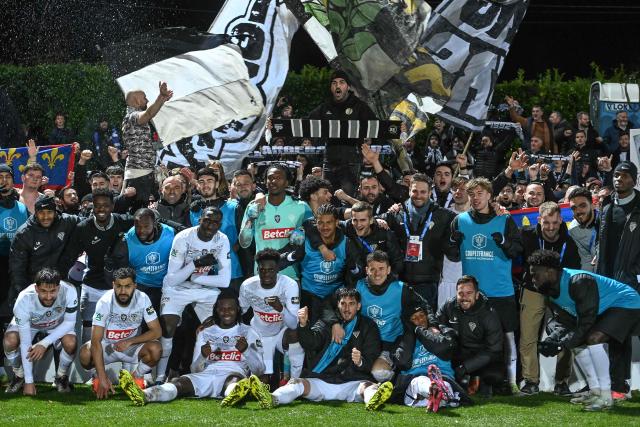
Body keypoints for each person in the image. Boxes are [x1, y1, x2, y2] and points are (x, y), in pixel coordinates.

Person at [244, 287, 392, 411]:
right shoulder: (327, 323)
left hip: (352, 382)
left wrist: (360, 361)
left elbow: (371, 357)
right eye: (343, 303)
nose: (347, 308)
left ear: (358, 306)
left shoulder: (368, 326)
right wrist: (303, 325)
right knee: (297, 383)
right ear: (338, 305)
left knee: (369, 387)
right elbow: (311, 343)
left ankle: (374, 401)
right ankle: (272, 399)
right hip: (322, 380)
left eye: (351, 304)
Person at [527, 249, 640, 411]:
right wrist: (552, 340)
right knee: (577, 341)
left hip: (627, 302)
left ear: (550, 272)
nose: (533, 280)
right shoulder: (550, 291)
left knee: (593, 338)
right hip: (604, 309)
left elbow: (586, 322)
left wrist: (562, 344)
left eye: (535, 275)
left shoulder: (578, 281)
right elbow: (565, 322)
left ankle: (606, 396)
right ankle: (595, 391)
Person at [119, 290, 264, 407]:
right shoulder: (206, 332)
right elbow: (195, 369)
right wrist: (202, 356)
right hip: (206, 376)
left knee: (233, 383)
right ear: (216, 310)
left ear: (238, 309)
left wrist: (246, 351)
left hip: (233, 374)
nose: (226, 312)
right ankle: (144, 395)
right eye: (222, 309)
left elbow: (259, 370)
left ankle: (232, 396)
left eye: (230, 309)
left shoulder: (248, 332)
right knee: (179, 382)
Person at [448, 178, 521, 393]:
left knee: (507, 339)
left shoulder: (504, 220)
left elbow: (517, 251)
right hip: (473, 295)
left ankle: (513, 382)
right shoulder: (459, 221)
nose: (476, 198)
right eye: (472, 194)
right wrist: (453, 242)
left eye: (480, 193)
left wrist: (504, 243)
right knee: (471, 340)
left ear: (490, 195)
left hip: (500, 290)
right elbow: (452, 255)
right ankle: (475, 383)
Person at [155, 206, 231, 384]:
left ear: (220, 224)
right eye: (207, 220)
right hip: (177, 289)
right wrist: (195, 264)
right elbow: (172, 279)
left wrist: (196, 277)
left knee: (218, 327)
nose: (210, 225)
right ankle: (159, 376)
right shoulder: (183, 237)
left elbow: (225, 280)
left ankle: (208, 373)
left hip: (203, 287)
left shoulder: (222, 240)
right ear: (200, 219)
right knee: (168, 326)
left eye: (215, 222)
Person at [518, 202, 581, 396]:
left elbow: (574, 271)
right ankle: (530, 381)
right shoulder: (526, 235)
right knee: (528, 337)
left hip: (560, 294)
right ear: (539, 220)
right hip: (532, 290)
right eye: (547, 222)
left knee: (565, 335)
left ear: (561, 220)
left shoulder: (568, 242)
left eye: (555, 222)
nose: (551, 227)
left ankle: (561, 382)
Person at [57, 189, 134, 343]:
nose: (101, 209)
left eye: (105, 205)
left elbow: (148, 220)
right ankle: (89, 364)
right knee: (88, 331)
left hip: (119, 286)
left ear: (112, 206)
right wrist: (59, 281)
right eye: (97, 205)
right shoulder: (83, 228)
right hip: (92, 285)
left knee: (118, 330)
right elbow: (69, 257)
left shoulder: (124, 221)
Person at [79, 267, 162, 399]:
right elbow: (95, 341)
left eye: (128, 286)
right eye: (119, 286)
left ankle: (137, 377)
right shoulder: (105, 301)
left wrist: (130, 341)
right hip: (109, 347)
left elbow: (157, 331)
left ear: (135, 285)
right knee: (85, 353)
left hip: (130, 347)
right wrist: (102, 376)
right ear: (113, 285)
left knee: (156, 348)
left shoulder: (142, 298)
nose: (123, 291)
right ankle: (97, 377)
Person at [380, 173, 456, 308]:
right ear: (409, 190)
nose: (418, 195)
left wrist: (496, 210)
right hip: (400, 281)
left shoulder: (444, 215)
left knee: (425, 322)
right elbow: (370, 220)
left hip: (428, 282)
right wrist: (378, 220)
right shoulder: (397, 212)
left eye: (423, 192)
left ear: (429, 192)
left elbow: (469, 217)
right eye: (415, 191)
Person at [279, 204, 359, 322]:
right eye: (320, 223)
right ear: (315, 223)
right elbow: (279, 261)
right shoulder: (304, 240)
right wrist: (293, 256)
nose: (324, 227)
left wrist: (353, 268)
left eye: (329, 222)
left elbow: (360, 272)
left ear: (337, 222)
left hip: (336, 298)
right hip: (309, 297)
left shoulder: (347, 243)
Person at [3, 268, 77, 395]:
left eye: (53, 291)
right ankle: (19, 375)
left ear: (59, 288)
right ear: (36, 288)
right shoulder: (24, 299)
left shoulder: (69, 290)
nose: (48, 296)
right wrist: (29, 382)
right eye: (43, 291)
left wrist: (44, 343)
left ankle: (61, 377)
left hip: (57, 324)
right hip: (30, 325)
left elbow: (70, 322)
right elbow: (26, 342)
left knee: (71, 343)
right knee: (10, 341)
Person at [306, 71, 377, 196]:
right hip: (329, 161)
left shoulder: (359, 106)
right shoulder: (325, 107)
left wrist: (399, 129)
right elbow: (304, 123)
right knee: (327, 198)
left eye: (341, 82)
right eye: (334, 83)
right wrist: (274, 126)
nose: (337, 86)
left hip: (351, 162)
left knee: (347, 199)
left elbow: (377, 127)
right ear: (331, 88)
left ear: (348, 87)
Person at [239, 249, 304, 383]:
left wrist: (280, 308)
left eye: (271, 270)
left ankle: (295, 381)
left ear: (277, 269)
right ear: (258, 269)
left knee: (295, 333)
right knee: (262, 382)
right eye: (262, 270)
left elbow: (293, 324)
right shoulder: (247, 285)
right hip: (258, 334)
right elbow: (240, 311)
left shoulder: (289, 285)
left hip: (281, 333)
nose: (266, 274)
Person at [388, 303, 469, 410]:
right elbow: (403, 362)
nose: (420, 320)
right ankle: (436, 391)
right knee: (420, 381)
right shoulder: (401, 340)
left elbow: (443, 348)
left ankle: (438, 392)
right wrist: (412, 333)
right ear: (408, 322)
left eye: (422, 315)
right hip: (414, 381)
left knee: (445, 384)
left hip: (442, 376)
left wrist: (421, 331)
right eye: (414, 318)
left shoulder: (444, 331)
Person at [239, 164, 312, 279]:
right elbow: (244, 243)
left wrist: (303, 232)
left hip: (291, 275)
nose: (273, 181)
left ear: (287, 182)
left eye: (279, 178)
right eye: (270, 177)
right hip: (262, 274)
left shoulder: (301, 207)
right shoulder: (254, 206)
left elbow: (313, 236)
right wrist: (250, 219)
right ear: (265, 181)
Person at [437, 276, 504, 397]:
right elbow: (436, 323)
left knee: (495, 376)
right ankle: (461, 381)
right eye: (460, 293)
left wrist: (465, 368)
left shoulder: (489, 314)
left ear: (477, 295)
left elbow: (493, 350)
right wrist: (446, 331)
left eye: (469, 293)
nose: (464, 297)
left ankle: (481, 381)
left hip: (483, 356)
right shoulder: (449, 306)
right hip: (458, 353)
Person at [9, 195, 81, 305]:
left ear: (55, 212)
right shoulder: (24, 234)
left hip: (61, 282)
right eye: (41, 212)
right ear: (36, 213)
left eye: (49, 212)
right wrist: (23, 293)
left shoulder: (67, 222)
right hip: (35, 286)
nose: (45, 216)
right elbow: (17, 268)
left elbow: (88, 224)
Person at [104, 208, 176, 312]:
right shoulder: (125, 242)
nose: (141, 231)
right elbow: (119, 275)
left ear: (155, 223)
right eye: (138, 226)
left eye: (146, 226)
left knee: (169, 320)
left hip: (167, 284)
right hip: (142, 286)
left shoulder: (170, 233)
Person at [121, 81, 173, 205]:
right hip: (138, 176)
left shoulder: (136, 118)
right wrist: (161, 97)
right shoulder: (132, 117)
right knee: (139, 213)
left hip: (145, 173)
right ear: (137, 101)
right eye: (144, 98)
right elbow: (149, 113)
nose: (147, 100)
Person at [567, 187, 598, 271]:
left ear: (592, 205)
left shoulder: (607, 221)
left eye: (583, 206)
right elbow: (586, 259)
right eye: (574, 208)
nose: (578, 211)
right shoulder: (573, 229)